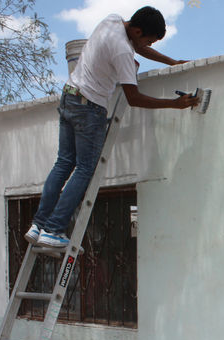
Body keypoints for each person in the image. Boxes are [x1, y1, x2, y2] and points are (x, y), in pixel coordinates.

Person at [25, 6, 198, 248]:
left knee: (63, 163)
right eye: (149, 40)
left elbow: (139, 47)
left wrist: (172, 62)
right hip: (89, 108)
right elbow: (134, 98)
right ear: (137, 31)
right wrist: (174, 104)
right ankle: (54, 229)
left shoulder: (113, 21)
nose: (147, 45)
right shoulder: (123, 52)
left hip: (70, 96)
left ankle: (38, 225)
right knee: (85, 169)